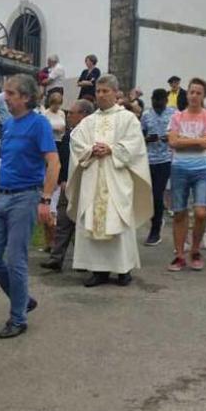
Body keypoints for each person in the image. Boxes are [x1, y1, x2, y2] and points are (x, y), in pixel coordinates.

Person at [0, 73, 58, 339]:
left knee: (16, 259)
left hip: (26, 197)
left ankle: (18, 318)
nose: (5, 97)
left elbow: (54, 163)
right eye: (5, 92)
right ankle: (23, 298)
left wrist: (45, 199)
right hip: (3, 197)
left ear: (26, 97)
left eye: (11, 93)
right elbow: (8, 161)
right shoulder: (10, 125)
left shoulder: (39, 124)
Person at [67, 74, 152, 287]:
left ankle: (123, 269)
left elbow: (135, 145)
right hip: (93, 176)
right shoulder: (89, 121)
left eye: (106, 91)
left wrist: (112, 149)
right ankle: (98, 271)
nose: (101, 95)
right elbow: (76, 142)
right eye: (98, 91)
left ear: (116, 93)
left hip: (116, 177)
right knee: (92, 222)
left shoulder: (128, 119)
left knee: (119, 219)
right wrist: (90, 150)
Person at [166, 78, 206, 271]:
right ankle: (179, 254)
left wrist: (184, 140)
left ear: (204, 96)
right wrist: (194, 141)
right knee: (179, 212)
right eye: (192, 92)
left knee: (201, 212)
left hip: (201, 168)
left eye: (198, 93)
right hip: (179, 167)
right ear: (186, 94)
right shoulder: (176, 117)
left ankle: (195, 249)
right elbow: (172, 142)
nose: (194, 96)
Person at [40, 99, 95, 271]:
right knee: (63, 220)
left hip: (86, 184)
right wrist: (62, 178)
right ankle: (56, 258)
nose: (69, 115)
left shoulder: (92, 132)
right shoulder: (69, 132)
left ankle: (84, 261)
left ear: (84, 114)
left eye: (72, 112)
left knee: (85, 223)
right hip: (67, 182)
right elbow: (63, 158)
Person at [141, 88, 176, 246]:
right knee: (149, 195)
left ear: (166, 101)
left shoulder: (173, 114)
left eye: (160, 102)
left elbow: (179, 135)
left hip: (166, 159)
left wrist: (169, 138)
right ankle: (157, 216)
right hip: (149, 159)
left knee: (157, 193)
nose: (157, 104)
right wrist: (147, 139)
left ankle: (155, 231)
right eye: (155, 101)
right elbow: (139, 136)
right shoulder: (146, 115)